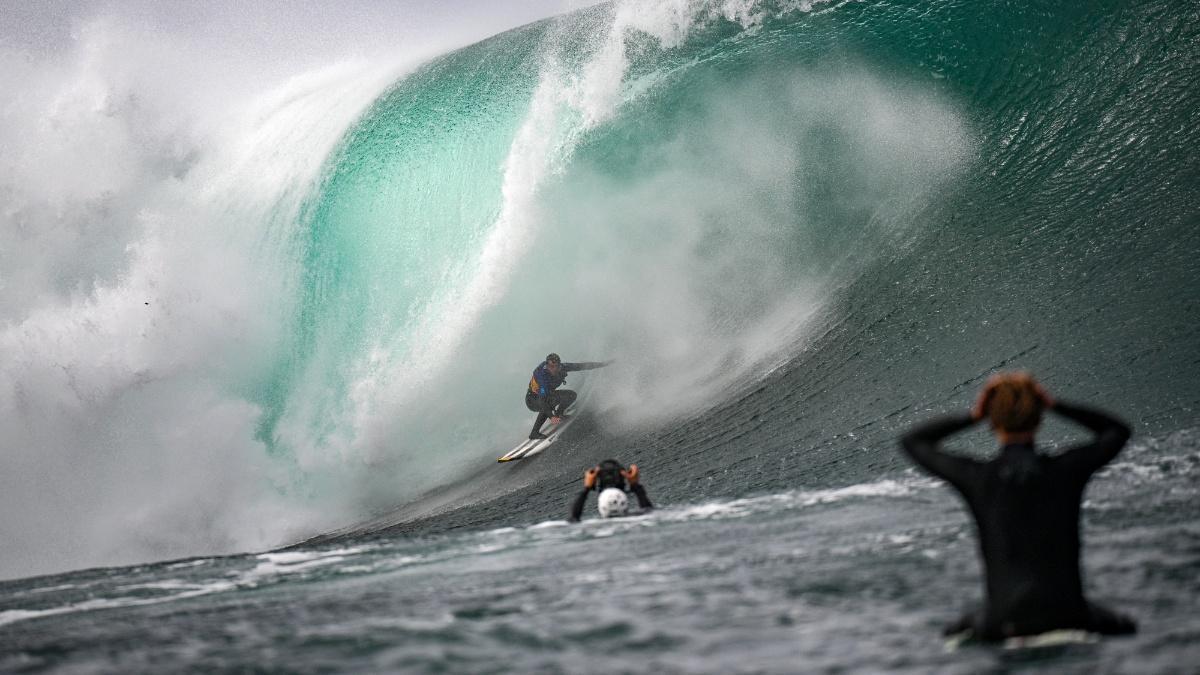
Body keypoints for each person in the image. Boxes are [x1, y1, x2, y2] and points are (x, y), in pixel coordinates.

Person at [899, 371, 1137, 642]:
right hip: (1070, 614)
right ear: (1039, 418)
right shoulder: (1065, 470)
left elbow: (913, 442)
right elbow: (1117, 431)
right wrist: (1053, 404)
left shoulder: (980, 478)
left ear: (993, 420)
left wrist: (975, 414)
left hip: (1004, 621)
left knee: (955, 633)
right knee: (1124, 625)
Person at [525, 353, 609, 440]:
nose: (554, 369)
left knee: (571, 395)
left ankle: (559, 414)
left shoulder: (562, 367)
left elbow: (581, 366)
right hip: (532, 400)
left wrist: (603, 364)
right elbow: (542, 401)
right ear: (547, 365)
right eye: (551, 366)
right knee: (547, 404)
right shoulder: (542, 376)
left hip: (546, 396)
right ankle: (534, 433)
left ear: (559, 365)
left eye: (556, 366)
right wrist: (551, 416)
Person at [568, 459, 653, 522]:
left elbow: (573, 518)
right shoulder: (642, 519)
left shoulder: (592, 525)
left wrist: (587, 487)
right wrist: (635, 485)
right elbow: (649, 510)